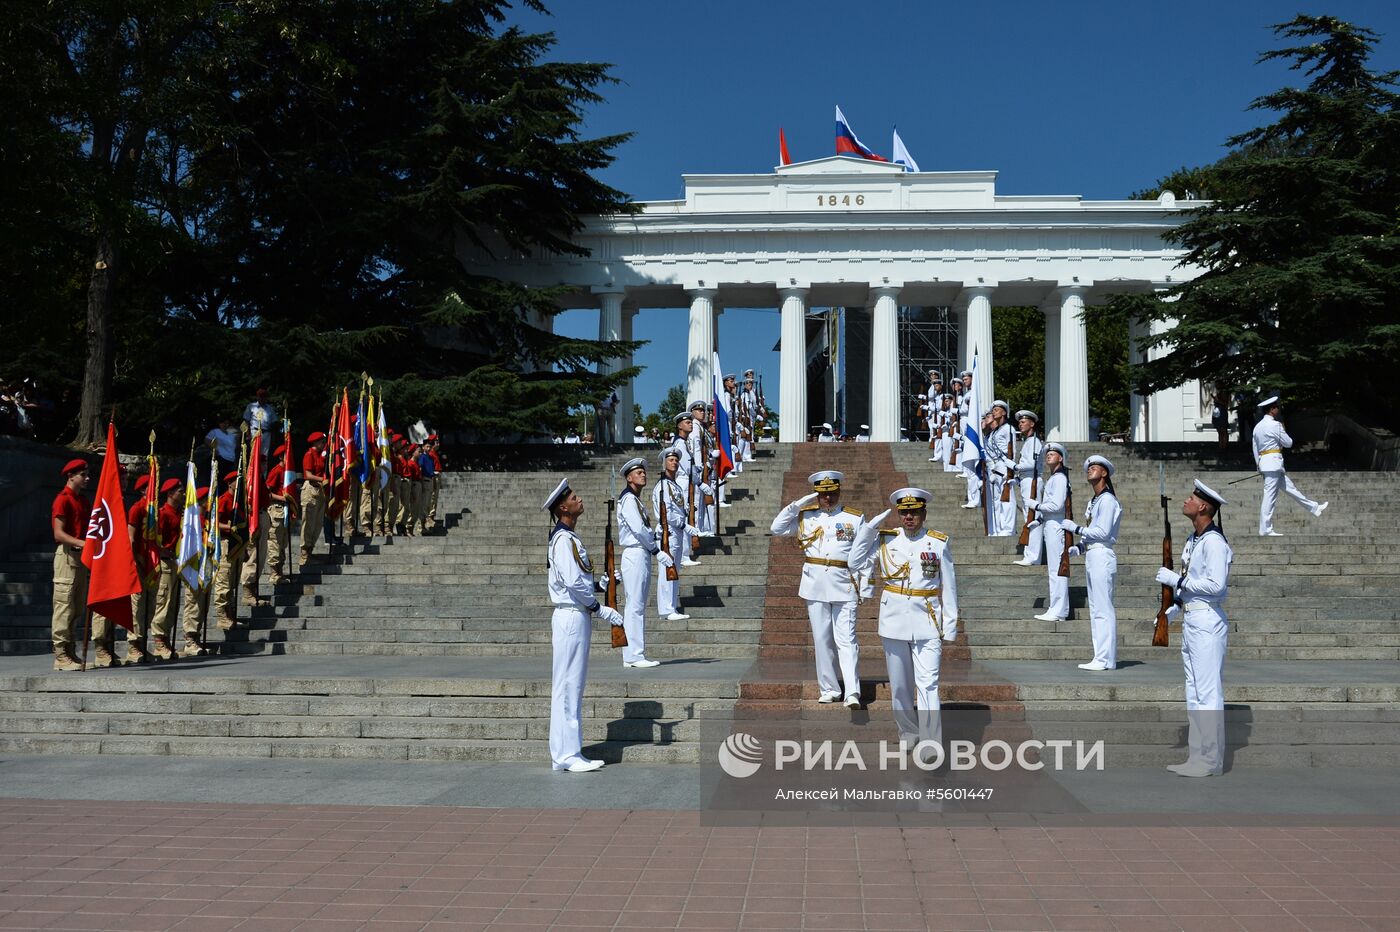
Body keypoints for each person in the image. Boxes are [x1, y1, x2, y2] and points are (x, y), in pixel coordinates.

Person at [849, 487, 959, 750]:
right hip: (894, 620)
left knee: (928, 683)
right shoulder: (886, 540)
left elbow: (950, 586)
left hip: (928, 620)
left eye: (914, 512)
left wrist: (950, 625)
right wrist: (867, 531)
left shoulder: (938, 542)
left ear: (924, 513)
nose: (909, 517)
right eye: (904, 512)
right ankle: (908, 733)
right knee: (899, 686)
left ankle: (931, 743)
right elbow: (854, 562)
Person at [543, 478, 624, 773]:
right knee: (567, 685)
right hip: (571, 615)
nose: (580, 500)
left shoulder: (569, 538)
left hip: (577, 614)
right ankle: (565, 755)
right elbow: (571, 581)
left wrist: (600, 585)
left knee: (572, 685)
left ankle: (570, 751)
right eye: (574, 498)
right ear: (563, 507)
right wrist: (599, 608)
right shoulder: (563, 539)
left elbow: (579, 578)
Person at [1155, 480, 1234, 777]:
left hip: (1208, 620)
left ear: (1203, 507)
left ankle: (1211, 760)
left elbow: (1216, 586)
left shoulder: (1214, 542)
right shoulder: (1194, 539)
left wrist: (1178, 581)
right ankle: (1197, 756)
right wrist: (1174, 606)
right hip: (1192, 618)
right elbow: (1192, 581)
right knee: (1194, 692)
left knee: (1208, 693)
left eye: (1191, 498)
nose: (1185, 501)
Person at [769, 471, 863, 708]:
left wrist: (866, 584)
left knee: (847, 639)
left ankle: (852, 691)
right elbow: (776, 528)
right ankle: (829, 688)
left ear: (839, 491)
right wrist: (799, 504)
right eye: (822, 494)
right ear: (817, 495)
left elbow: (866, 553)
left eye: (831, 493)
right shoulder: (805, 517)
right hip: (815, 584)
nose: (828, 499)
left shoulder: (854, 518)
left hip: (844, 583)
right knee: (822, 639)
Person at [1064, 456, 1121, 671]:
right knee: (1096, 608)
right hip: (1092, 554)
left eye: (1094, 468)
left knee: (1103, 608)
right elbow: (1093, 532)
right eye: (1088, 468)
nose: (1089, 470)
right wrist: (1079, 547)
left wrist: (1076, 529)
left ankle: (1106, 658)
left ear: (1104, 473)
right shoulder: (1094, 501)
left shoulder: (1107, 500)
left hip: (1103, 555)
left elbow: (1103, 532)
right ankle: (1101, 656)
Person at [1252, 396, 1328, 536]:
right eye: (1277, 407)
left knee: (1291, 488)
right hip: (1273, 463)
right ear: (1272, 409)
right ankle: (1265, 529)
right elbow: (1289, 443)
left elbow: (1255, 448)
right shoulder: (1275, 425)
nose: (1278, 410)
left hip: (1266, 463)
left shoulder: (1257, 427)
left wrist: (1259, 465)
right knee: (1269, 497)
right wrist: (1283, 430)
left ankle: (1314, 507)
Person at [616, 457, 662, 668]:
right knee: (635, 606)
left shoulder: (635, 500)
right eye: (638, 473)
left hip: (640, 552)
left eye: (644, 472)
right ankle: (634, 655)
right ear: (629, 477)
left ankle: (633, 654)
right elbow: (638, 528)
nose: (643, 474)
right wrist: (655, 549)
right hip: (635, 553)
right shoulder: (628, 500)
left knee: (637, 605)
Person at [50, 459, 92, 671]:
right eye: (83, 475)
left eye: (87, 474)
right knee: (64, 605)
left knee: (76, 606)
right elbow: (58, 533)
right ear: (71, 476)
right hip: (67, 556)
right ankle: (60, 654)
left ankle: (71, 651)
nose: (87, 479)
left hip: (81, 558)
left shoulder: (82, 501)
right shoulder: (63, 499)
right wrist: (82, 543)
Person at [652, 448, 697, 621]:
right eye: (671, 460)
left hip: (676, 532)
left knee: (674, 571)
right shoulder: (663, 486)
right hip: (668, 532)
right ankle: (666, 609)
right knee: (667, 571)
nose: (675, 462)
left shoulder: (674, 484)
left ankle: (671, 607)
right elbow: (666, 514)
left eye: (676, 460)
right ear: (664, 463)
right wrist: (684, 525)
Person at [1028, 442, 1071, 622]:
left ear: (1060, 458)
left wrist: (1036, 505)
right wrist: (1038, 519)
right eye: (1048, 454)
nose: (1049, 456)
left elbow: (1057, 505)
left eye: (1053, 454)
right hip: (1050, 524)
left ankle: (1060, 609)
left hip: (1056, 526)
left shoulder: (1059, 478)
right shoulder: (1053, 478)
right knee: (1054, 570)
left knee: (1057, 570)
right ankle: (1055, 607)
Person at [148, 479, 185, 661]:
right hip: (165, 561)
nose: (183, 494)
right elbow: (155, 541)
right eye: (179, 491)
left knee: (172, 603)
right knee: (163, 601)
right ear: (170, 494)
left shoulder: (180, 513)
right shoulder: (163, 514)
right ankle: (159, 640)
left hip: (175, 561)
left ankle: (166, 638)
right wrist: (167, 553)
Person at [1011, 410, 1045, 566]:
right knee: (1028, 518)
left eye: (1024, 421)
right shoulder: (1028, 441)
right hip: (1026, 480)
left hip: (1032, 480)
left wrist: (1014, 466)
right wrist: (1017, 479)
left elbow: (1032, 464)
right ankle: (1029, 554)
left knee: (1034, 518)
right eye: (1019, 422)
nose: (1020, 423)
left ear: (1032, 424)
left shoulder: (1034, 442)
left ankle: (1033, 556)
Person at [984, 401, 1016, 535]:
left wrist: (1010, 470)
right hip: (995, 468)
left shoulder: (1008, 428)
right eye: (993, 410)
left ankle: (1008, 529)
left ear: (1004, 412)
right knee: (997, 501)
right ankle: (998, 529)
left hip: (1004, 467)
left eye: (997, 409)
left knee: (1007, 500)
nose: (994, 412)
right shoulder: (994, 433)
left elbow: (1011, 450)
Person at [299, 432, 329, 563]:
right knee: (309, 521)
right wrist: (323, 479)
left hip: (320, 490)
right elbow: (308, 475)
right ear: (316, 443)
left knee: (317, 523)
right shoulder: (309, 455)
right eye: (322, 442)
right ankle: (304, 552)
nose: (324, 444)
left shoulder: (321, 456)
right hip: (311, 489)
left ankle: (310, 549)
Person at [242, 389, 278, 456]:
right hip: (255, 432)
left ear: (266, 398)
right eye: (260, 396)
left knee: (265, 455)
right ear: (257, 397)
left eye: (264, 397)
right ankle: (254, 466)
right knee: (254, 453)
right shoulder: (251, 406)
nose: (262, 398)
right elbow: (246, 420)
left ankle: (263, 467)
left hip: (267, 433)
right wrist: (248, 434)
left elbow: (274, 422)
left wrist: (273, 435)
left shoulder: (270, 408)